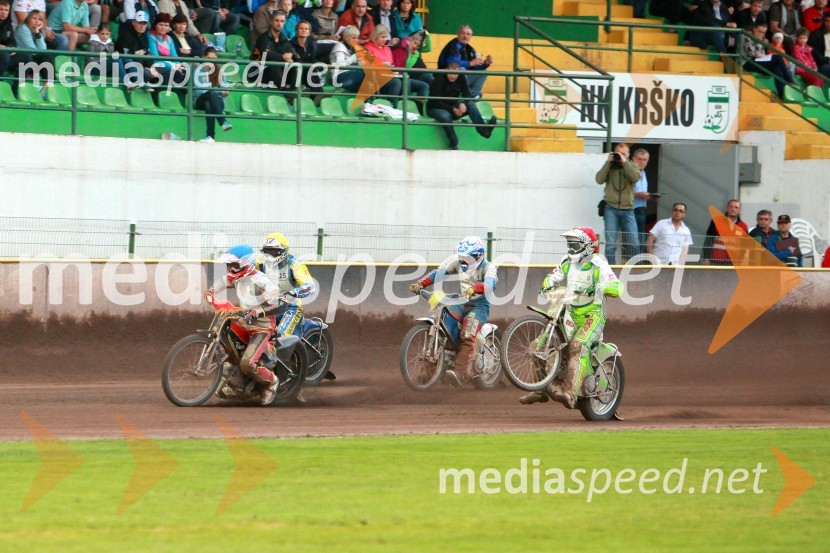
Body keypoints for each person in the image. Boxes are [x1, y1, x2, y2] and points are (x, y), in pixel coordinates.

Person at [519, 227, 624, 408]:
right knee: (537, 346)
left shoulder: (599, 264)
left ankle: (570, 393)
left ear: (587, 247)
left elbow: (617, 287)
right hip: (570, 311)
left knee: (577, 346)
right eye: (569, 244)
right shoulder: (567, 261)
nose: (571, 248)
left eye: (574, 245)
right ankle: (540, 389)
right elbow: (553, 276)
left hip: (593, 315)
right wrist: (547, 285)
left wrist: (601, 288)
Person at [408, 236, 498, 387]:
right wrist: (420, 284)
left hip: (478, 307)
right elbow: (439, 273)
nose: (463, 260)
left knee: (467, 334)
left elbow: (489, 285)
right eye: (462, 256)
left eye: (466, 257)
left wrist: (475, 288)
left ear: (477, 256)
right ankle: (431, 371)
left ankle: (459, 372)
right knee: (442, 320)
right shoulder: (459, 263)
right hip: (461, 301)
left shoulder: (488, 268)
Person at [208, 244, 284, 405]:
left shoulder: (261, 280)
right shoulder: (233, 277)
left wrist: (258, 312)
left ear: (245, 264)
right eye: (229, 265)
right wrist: (210, 294)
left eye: (234, 264)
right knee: (228, 349)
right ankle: (237, 384)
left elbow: (280, 304)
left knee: (247, 363)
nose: (230, 268)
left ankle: (272, 382)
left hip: (262, 326)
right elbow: (214, 289)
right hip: (242, 320)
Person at [259, 232, 329, 378]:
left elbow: (310, 286)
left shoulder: (295, 265)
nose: (270, 255)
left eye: (274, 252)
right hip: (268, 307)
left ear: (283, 252)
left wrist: (292, 293)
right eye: (267, 251)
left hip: (289, 308)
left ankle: (286, 377)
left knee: (280, 337)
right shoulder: (260, 264)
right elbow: (248, 277)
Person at [426, 60, 498, 150]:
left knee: (471, 104)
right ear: (446, 70)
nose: (453, 76)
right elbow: (435, 101)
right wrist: (453, 109)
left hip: (453, 108)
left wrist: (462, 103)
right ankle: (454, 143)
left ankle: (483, 130)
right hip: (436, 108)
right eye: (451, 73)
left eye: (456, 74)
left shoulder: (461, 77)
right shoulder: (439, 80)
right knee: (445, 116)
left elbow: (467, 95)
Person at [595, 143, 641, 264]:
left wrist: (624, 162)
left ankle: (633, 269)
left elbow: (635, 177)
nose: (620, 156)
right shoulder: (610, 167)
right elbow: (599, 180)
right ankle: (610, 271)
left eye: (623, 154)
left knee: (634, 243)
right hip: (611, 208)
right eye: (618, 154)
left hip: (628, 209)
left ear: (628, 155)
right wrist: (608, 162)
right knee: (610, 245)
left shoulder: (632, 166)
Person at [437, 24, 492, 99]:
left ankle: (473, 95)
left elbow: (473, 67)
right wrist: (470, 63)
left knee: (483, 72)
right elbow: (453, 63)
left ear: (470, 37)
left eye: (468, 34)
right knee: (462, 70)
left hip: (462, 79)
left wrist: (485, 64)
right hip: (445, 78)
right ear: (458, 34)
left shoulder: (470, 49)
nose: (465, 36)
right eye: (463, 33)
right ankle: (463, 94)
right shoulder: (453, 45)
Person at [743, 22, 794, 98]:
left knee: (776, 68)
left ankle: (782, 93)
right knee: (778, 58)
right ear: (754, 29)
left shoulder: (761, 39)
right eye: (759, 31)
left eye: (763, 33)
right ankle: (789, 80)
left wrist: (762, 53)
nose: (761, 34)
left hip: (757, 62)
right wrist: (761, 53)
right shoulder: (746, 36)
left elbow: (762, 54)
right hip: (747, 63)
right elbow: (752, 53)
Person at [250, 9, 298, 89]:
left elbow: (291, 49)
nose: (279, 24)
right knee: (274, 64)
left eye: (282, 21)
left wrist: (291, 55)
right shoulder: (263, 38)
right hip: (255, 71)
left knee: (294, 66)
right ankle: (284, 91)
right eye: (277, 20)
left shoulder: (282, 38)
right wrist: (283, 57)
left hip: (272, 72)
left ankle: (294, 93)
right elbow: (266, 55)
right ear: (271, 21)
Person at [194, 46, 232, 142]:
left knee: (209, 103)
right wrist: (216, 91)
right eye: (208, 59)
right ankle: (223, 121)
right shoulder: (197, 71)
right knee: (210, 94)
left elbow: (226, 92)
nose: (211, 61)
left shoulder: (220, 72)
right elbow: (199, 91)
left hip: (216, 103)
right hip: (199, 101)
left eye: (213, 59)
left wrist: (215, 92)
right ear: (203, 57)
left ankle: (210, 136)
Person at [702, 198, 749, 265]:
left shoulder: (743, 226)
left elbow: (744, 246)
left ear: (739, 210)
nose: (733, 209)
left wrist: (740, 260)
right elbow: (708, 241)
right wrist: (706, 258)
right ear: (727, 208)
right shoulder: (716, 221)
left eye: (736, 207)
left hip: (733, 262)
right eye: (731, 207)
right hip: (715, 260)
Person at [390, 29, 431, 97]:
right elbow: (407, 66)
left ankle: (421, 106)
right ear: (410, 39)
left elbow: (428, 48)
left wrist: (427, 36)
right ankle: (406, 104)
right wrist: (413, 56)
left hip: (411, 75)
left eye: (418, 45)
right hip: (402, 76)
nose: (415, 46)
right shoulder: (402, 47)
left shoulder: (414, 51)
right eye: (415, 43)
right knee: (408, 81)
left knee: (427, 81)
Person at [630, 148, 653, 256]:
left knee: (640, 237)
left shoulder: (643, 173)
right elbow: (625, 191)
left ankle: (638, 261)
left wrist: (650, 196)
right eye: (639, 159)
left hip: (641, 208)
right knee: (632, 239)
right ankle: (631, 262)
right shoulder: (629, 172)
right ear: (633, 159)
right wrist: (639, 194)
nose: (642, 162)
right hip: (630, 209)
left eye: (644, 160)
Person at [808, 13, 830, 78]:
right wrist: (827, 60)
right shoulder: (815, 34)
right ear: (823, 21)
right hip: (822, 65)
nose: (829, 24)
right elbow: (814, 53)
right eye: (827, 21)